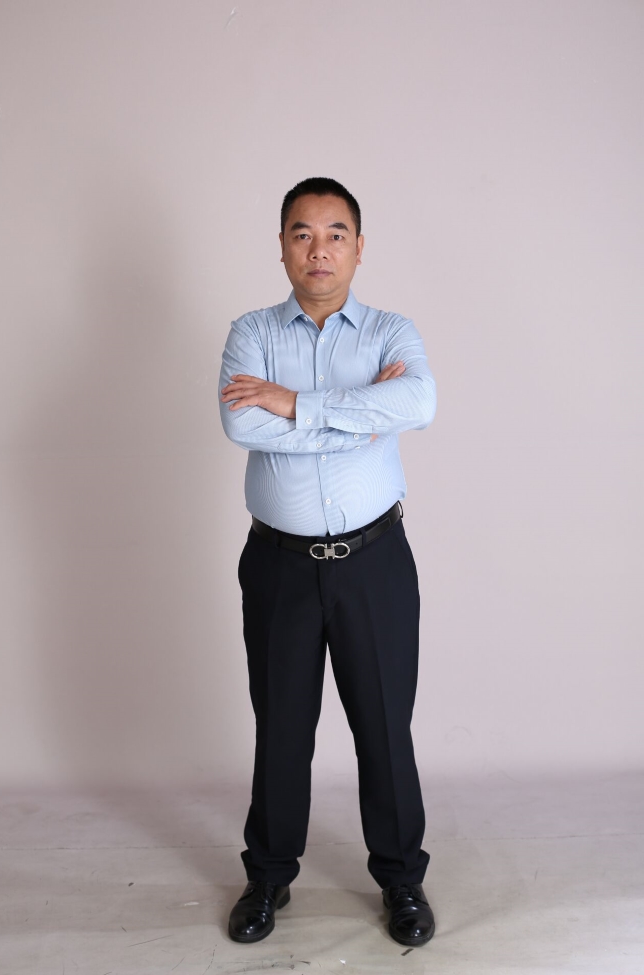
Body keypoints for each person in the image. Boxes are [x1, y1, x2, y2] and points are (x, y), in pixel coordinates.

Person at [218, 177, 437, 947]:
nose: (320, 249)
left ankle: (402, 878)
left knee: (384, 725)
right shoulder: (250, 332)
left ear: (358, 247)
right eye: (302, 233)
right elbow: (242, 425)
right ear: (282, 246)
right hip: (278, 564)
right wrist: (360, 415)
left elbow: (417, 404)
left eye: (335, 233)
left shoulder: (390, 332)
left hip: (374, 562)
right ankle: (268, 875)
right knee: (281, 724)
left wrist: (295, 404)